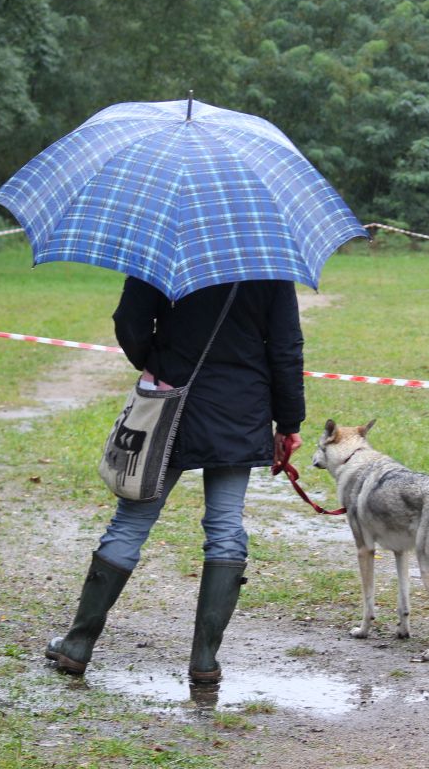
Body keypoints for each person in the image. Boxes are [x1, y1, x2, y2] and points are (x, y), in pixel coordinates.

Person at [46, 278, 305, 683]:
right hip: (241, 407)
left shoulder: (165, 239)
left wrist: (159, 360)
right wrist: (289, 422)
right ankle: (204, 661)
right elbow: (287, 346)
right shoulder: (268, 260)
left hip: (171, 399)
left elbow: (129, 320)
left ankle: (78, 645)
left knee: (131, 521)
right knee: (225, 527)